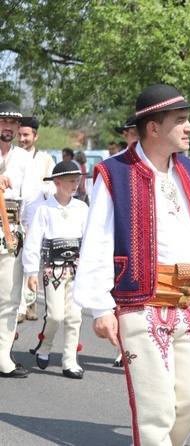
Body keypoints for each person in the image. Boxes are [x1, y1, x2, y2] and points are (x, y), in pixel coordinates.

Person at [73, 83, 190, 445]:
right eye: (181, 120)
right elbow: (97, 240)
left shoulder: (189, 171)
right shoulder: (114, 173)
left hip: (189, 301)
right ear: (154, 127)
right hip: (139, 302)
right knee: (155, 411)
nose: (189, 127)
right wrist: (100, 307)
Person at [23, 161, 88, 379]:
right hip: (53, 270)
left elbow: (89, 240)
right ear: (57, 182)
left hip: (77, 269)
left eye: (77, 181)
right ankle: (45, 344)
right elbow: (33, 242)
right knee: (55, 315)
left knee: (74, 316)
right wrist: (31, 271)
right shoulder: (44, 209)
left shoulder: (82, 208)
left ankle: (69, 360)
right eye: (70, 181)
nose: (75, 185)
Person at [0, 100, 41, 378]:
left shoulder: (25, 159)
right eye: (4, 121)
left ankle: (3, 356)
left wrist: (30, 246)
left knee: (9, 298)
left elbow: (32, 206)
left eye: (13, 123)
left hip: (10, 232)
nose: (9, 127)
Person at [17, 116, 55, 323]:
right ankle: (19, 306)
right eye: (19, 135)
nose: (22, 139)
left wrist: (38, 189)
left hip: (37, 218)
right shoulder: (10, 157)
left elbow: (53, 187)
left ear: (35, 136)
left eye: (26, 135)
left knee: (31, 262)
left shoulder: (46, 160)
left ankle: (29, 303)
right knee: (15, 263)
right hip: (14, 219)